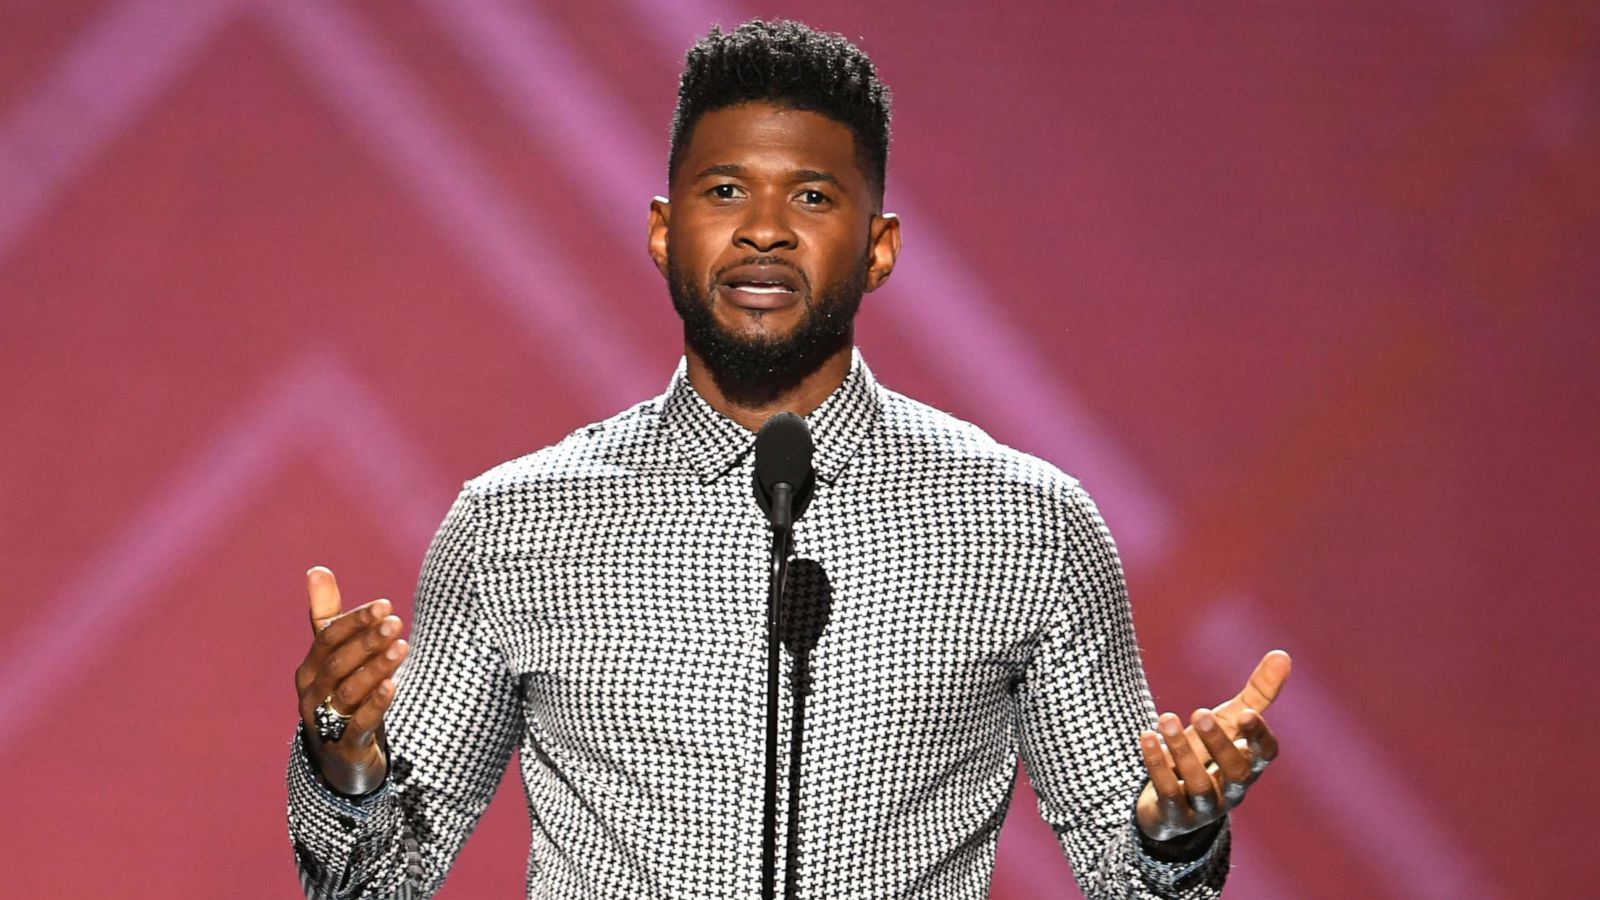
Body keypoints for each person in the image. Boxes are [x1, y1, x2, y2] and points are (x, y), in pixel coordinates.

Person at [287, 19, 1290, 900]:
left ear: (879, 246)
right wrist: (343, 765)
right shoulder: (516, 525)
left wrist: (1177, 827)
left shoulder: (1026, 523)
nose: (763, 230)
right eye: (725, 190)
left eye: (811, 197)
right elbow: (375, 884)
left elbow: (1135, 877)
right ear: (664, 229)